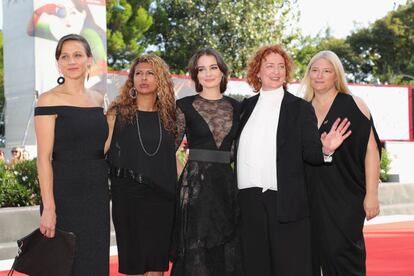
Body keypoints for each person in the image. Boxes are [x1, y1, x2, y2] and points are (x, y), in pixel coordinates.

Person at [236, 44, 351, 276]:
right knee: (255, 267)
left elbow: (311, 153)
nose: (276, 71)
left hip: (285, 202)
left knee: (290, 267)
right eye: (269, 66)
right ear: (257, 71)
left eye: (281, 66)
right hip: (248, 201)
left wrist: (325, 150)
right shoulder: (244, 107)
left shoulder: (300, 108)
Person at [34, 34, 109, 276]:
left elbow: (102, 148)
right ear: (58, 63)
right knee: (64, 266)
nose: (71, 61)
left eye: (78, 55)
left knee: (94, 263)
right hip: (64, 195)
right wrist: (49, 207)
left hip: (96, 195)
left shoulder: (99, 100)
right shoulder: (48, 100)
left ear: (89, 60)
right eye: (64, 56)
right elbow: (44, 158)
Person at [301, 50, 381, 276]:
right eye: (314, 70)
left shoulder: (354, 105)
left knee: (342, 257)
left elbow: (371, 150)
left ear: (336, 75)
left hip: (345, 197)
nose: (319, 76)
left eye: (326, 71)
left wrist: (372, 194)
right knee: (309, 260)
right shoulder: (300, 108)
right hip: (307, 197)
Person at [171, 48, 242, 276]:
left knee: (227, 248)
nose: (208, 73)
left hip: (227, 188)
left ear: (222, 72)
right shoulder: (184, 105)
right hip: (195, 189)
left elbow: (241, 151)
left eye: (213, 67)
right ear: (195, 75)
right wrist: (184, 178)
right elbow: (167, 149)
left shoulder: (238, 107)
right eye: (201, 69)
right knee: (196, 250)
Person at [105, 54, 177, 276]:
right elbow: (98, 152)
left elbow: (172, 158)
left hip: (163, 200)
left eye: (150, 73)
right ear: (132, 80)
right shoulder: (117, 113)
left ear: (161, 79)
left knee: (156, 269)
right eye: (138, 73)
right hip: (127, 199)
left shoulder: (171, 117)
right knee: (134, 266)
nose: (143, 78)